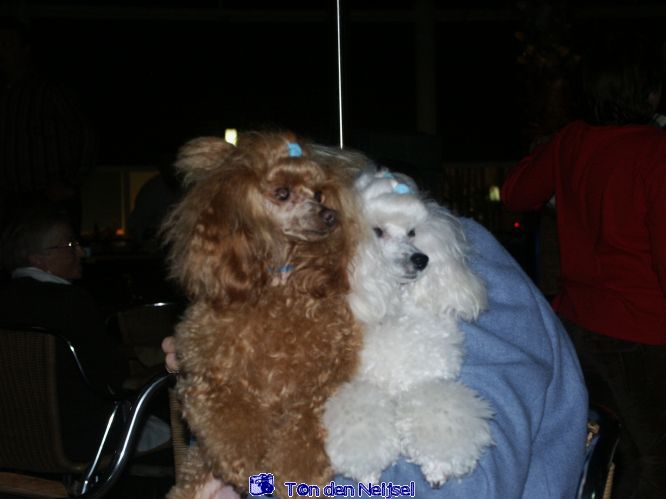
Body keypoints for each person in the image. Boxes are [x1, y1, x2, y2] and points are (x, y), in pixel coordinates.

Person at [162, 163, 588, 498]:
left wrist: (267, 488)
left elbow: (453, 491)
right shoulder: (320, 311)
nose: (277, 278)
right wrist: (227, 372)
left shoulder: (457, 268)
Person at [502, 33, 666, 498]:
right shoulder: (655, 152)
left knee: (609, 452)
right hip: (643, 335)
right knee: (655, 458)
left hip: (576, 329)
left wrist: (550, 151)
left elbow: (516, 194)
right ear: (648, 92)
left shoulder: (572, 140)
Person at [0, 202, 169, 460]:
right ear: (38, 259)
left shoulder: (6, 300)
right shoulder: (71, 302)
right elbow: (112, 377)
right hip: (82, 441)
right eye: (70, 245)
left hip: (13, 441)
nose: (81, 251)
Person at [0, 16, 97, 234]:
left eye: (7, 44)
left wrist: (70, 183)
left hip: (48, 199)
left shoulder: (48, 92)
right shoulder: (5, 96)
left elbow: (85, 136)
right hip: (10, 201)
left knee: (54, 250)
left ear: (25, 49)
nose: (1, 52)